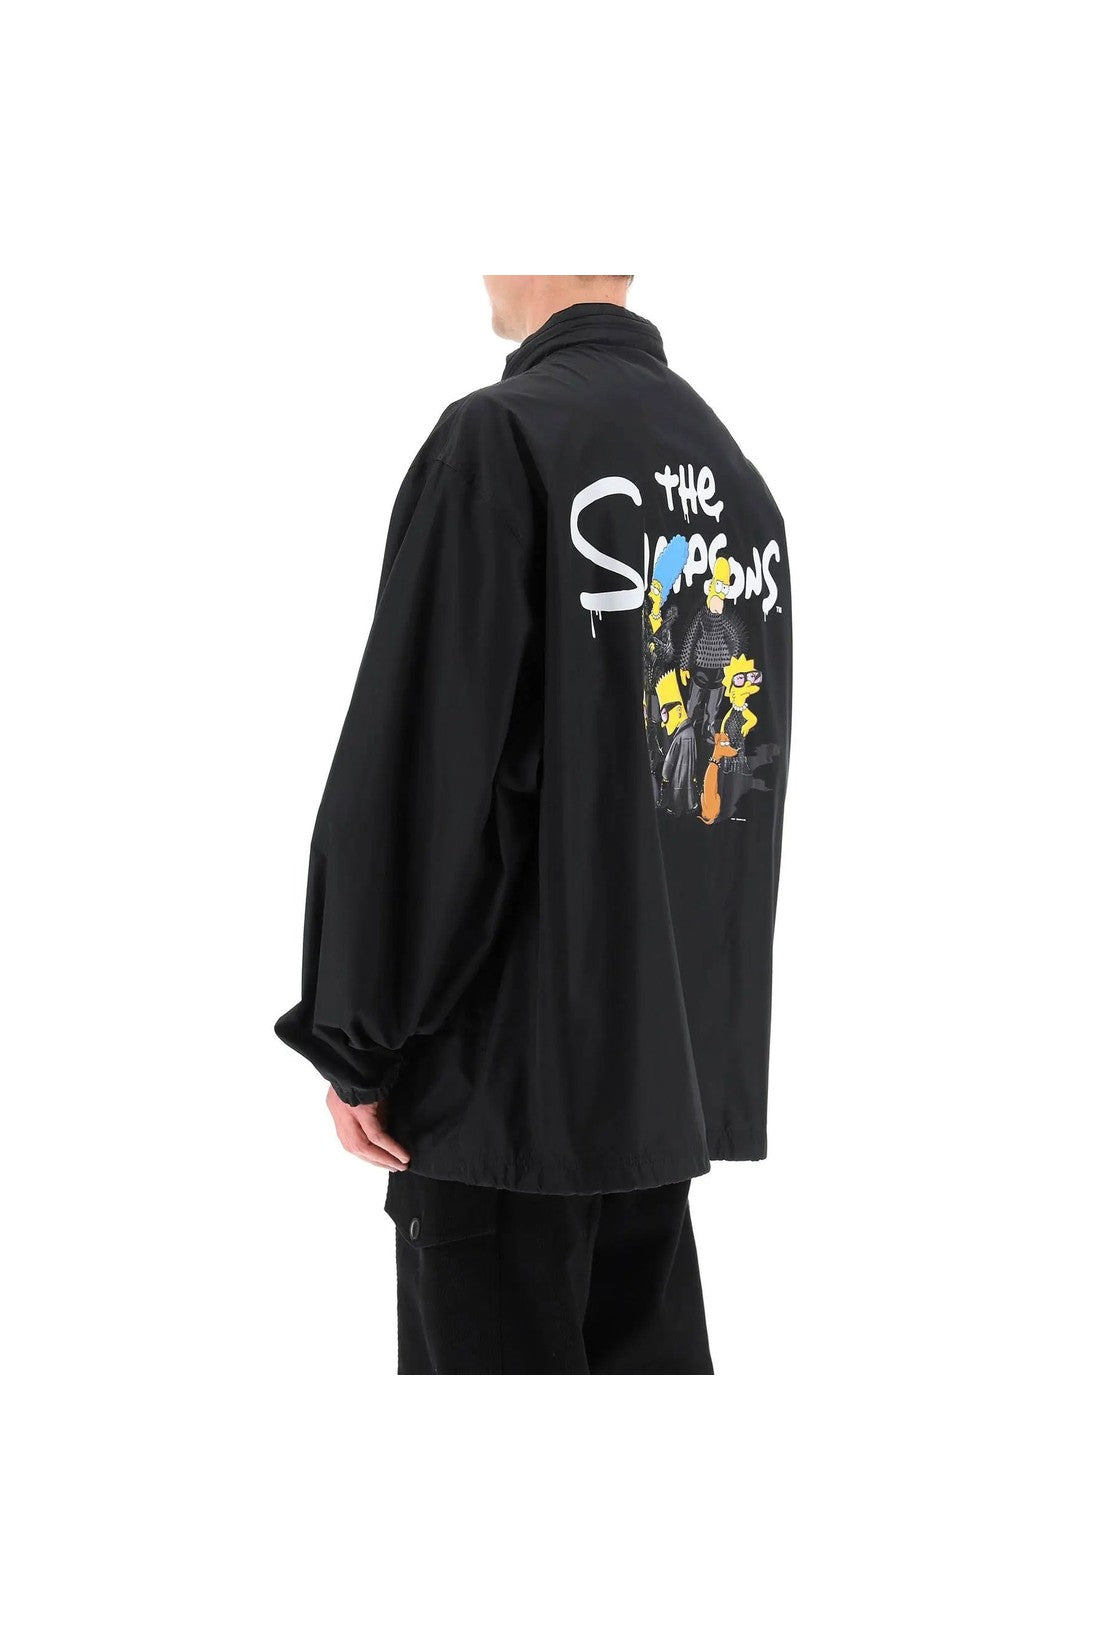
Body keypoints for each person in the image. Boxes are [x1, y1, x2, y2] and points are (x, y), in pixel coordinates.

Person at [275, 275, 793, 1374]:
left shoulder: (500, 440)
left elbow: (420, 771)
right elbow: (725, 785)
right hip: (656, 1100)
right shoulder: (731, 478)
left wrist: (356, 1039)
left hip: (504, 1097)